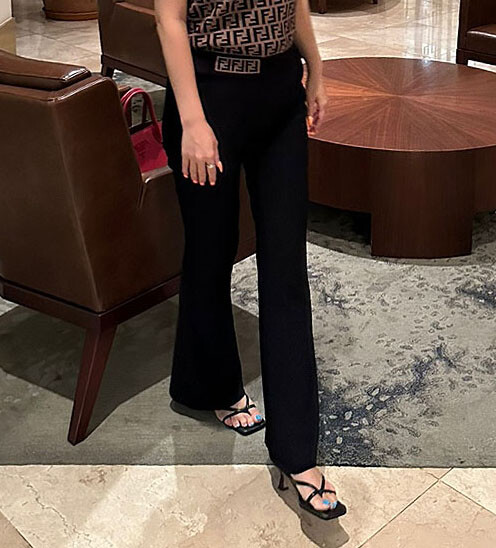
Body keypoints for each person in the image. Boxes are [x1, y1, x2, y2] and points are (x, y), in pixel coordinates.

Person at [155, 0, 346, 519]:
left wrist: (316, 68)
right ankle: (209, 385)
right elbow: (169, 18)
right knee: (210, 252)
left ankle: (297, 454)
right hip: (208, 93)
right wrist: (193, 121)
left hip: (280, 93)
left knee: (286, 270)